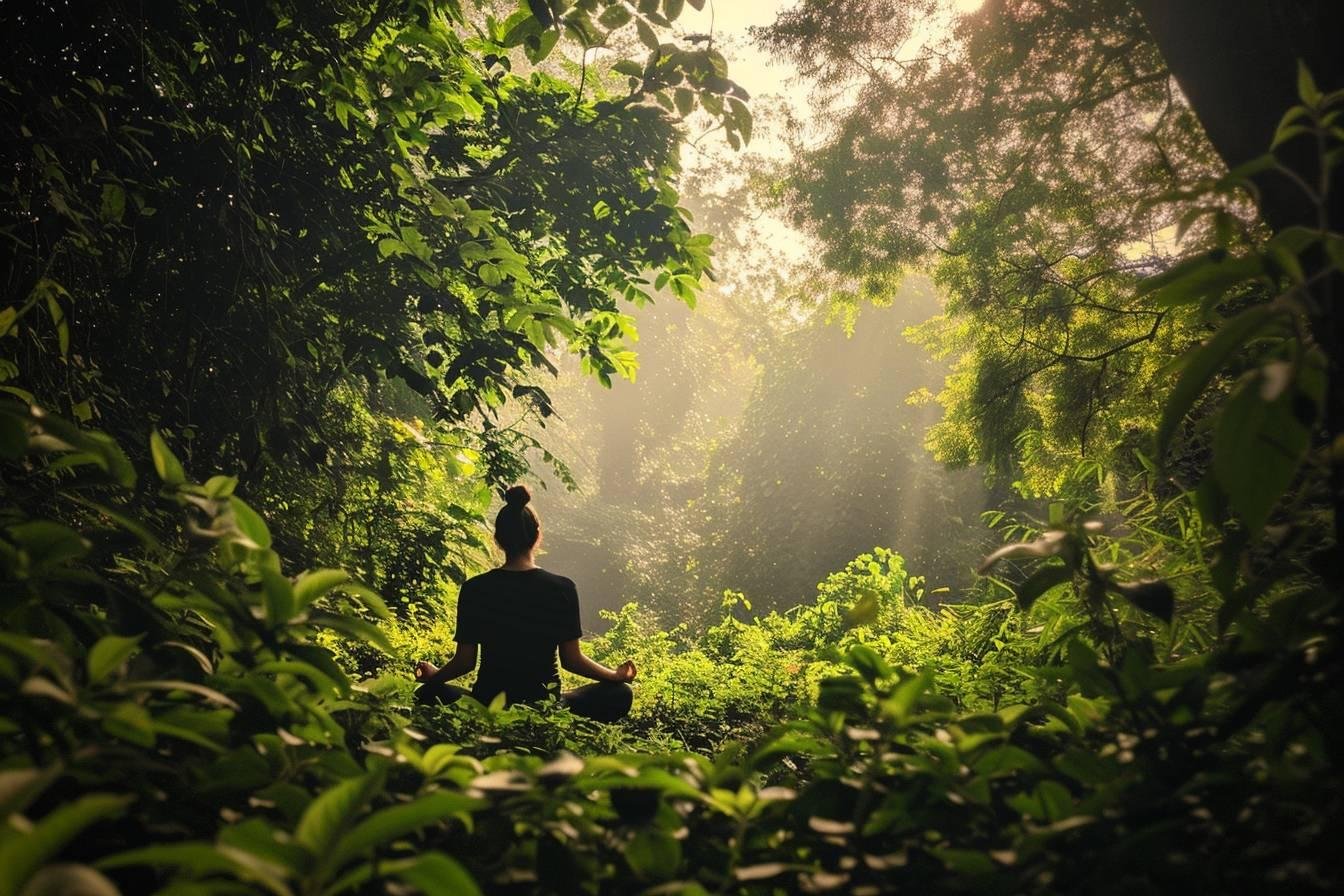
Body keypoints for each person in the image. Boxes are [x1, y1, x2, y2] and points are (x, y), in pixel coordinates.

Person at [413, 484, 637, 723]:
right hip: (545, 704)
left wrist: (434, 676)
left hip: (488, 704)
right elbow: (572, 660)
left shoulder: (475, 588)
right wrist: (614, 676)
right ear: (537, 535)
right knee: (620, 693)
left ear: (498, 538)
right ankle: (558, 707)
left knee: (427, 694)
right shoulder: (562, 588)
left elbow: (464, 662)